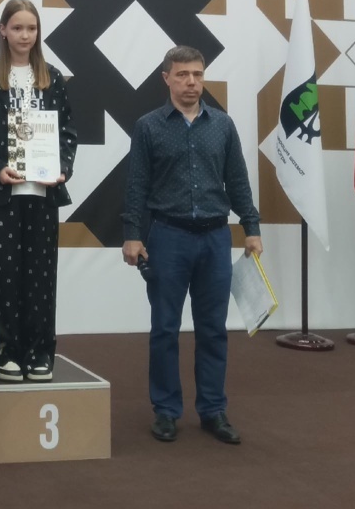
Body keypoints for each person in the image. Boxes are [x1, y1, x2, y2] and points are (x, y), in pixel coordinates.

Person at [121, 45, 261, 446]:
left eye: (198, 74)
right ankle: (166, 411)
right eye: (182, 75)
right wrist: (132, 234)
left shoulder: (223, 125)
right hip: (168, 237)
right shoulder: (148, 127)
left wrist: (251, 227)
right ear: (166, 78)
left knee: (213, 329)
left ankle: (213, 410)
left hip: (216, 238)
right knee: (165, 328)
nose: (191, 82)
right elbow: (136, 185)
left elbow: (237, 180)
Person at [0, 0, 77, 382]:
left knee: (41, 275)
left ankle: (39, 351)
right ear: (3, 31)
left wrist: (62, 169)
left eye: (32, 28)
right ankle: (3, 350)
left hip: (43, 193)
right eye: (18, 28)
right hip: (1, 193)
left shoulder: (53, 77)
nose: (25, 35)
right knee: (1, 274)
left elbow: (68, 133)